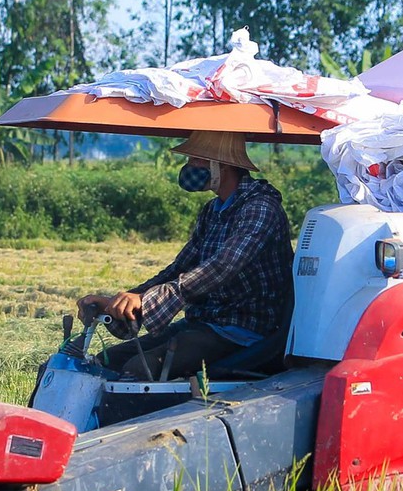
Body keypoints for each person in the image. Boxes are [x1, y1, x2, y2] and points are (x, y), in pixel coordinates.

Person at [78, 131, 294, 380]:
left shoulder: (260, 208)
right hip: (205, 322)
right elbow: (179, 267)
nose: (189, 167)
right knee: (108, 361)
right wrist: (128, 299)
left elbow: (220, 268)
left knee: (139, 368)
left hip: (244, 329)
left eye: (196, 161)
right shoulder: (213, 211)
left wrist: (149, 302)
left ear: (221, 165)